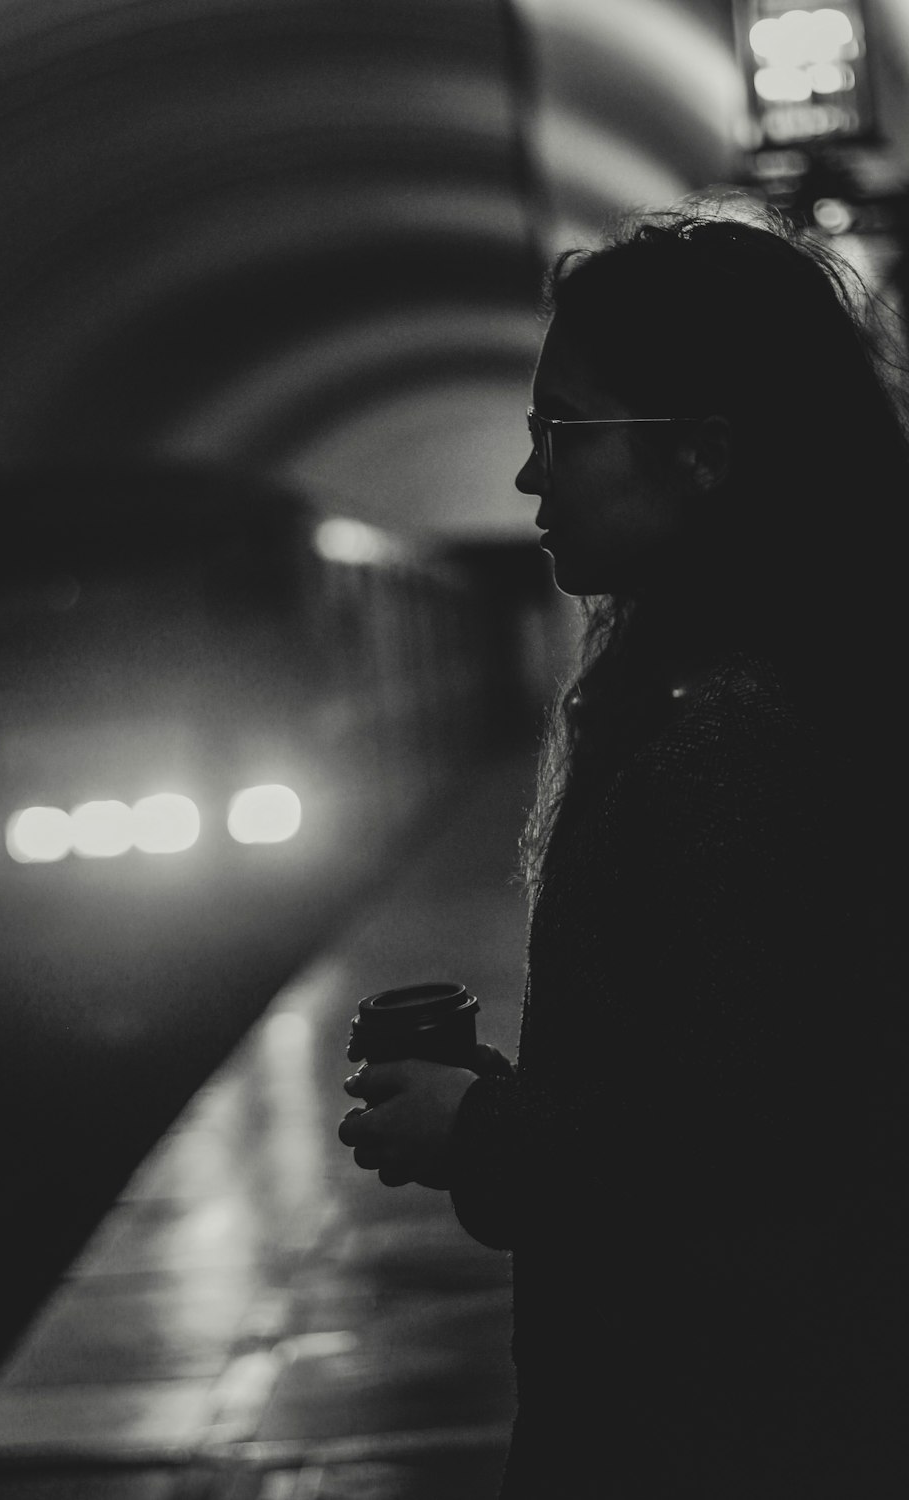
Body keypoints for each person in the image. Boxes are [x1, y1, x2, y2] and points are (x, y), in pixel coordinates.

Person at [338, 204, 907, 1497]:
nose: (532, 477)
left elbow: (746, 1171)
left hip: (720, 1433)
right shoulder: (804, 686)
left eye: (564, 433)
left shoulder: (731, 749)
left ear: (702, 452)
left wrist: (478, 1129)